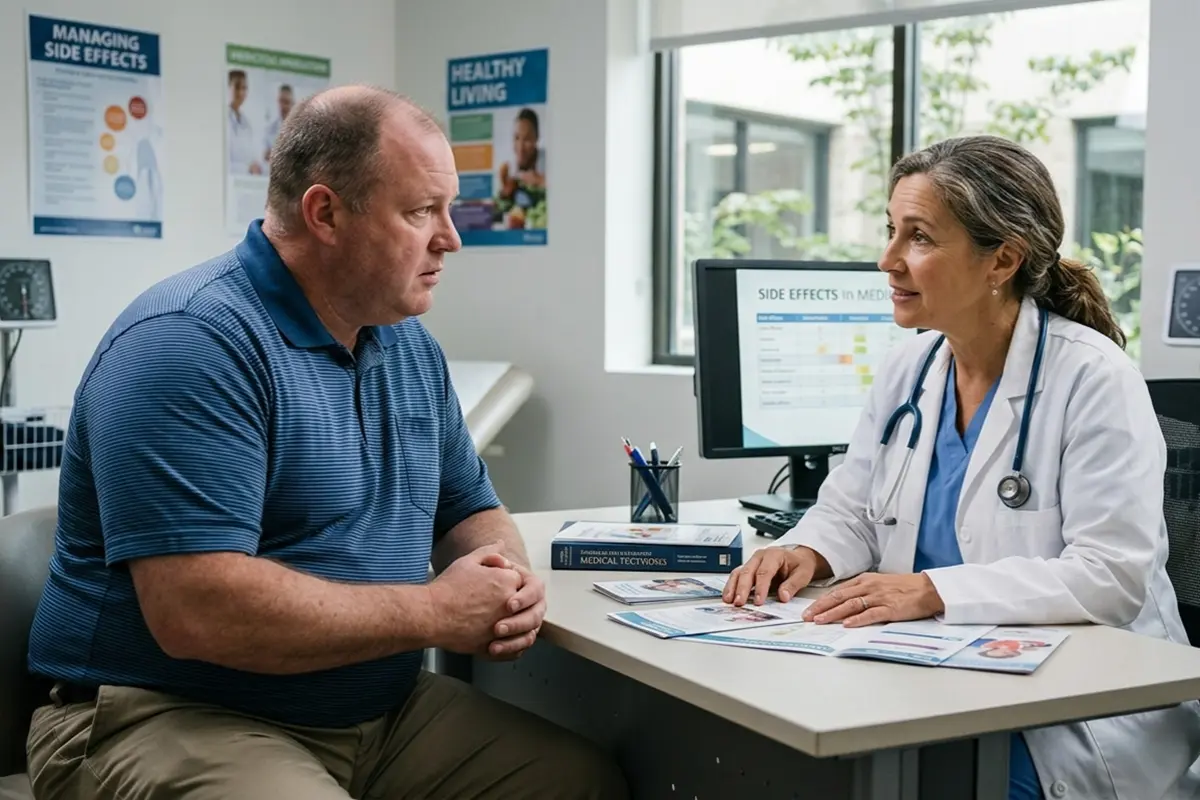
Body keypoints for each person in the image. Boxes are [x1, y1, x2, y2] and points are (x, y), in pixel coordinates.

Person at [24, 85, 627, 800]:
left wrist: (505, 577)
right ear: (325, 213)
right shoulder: (188, 343)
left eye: (449, 208)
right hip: (167, 712)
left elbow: (468, 508)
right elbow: (197, 611)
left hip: (374, 714)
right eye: (421, 211)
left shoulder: (407, 348)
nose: (452, 237)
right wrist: (436, 612)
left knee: (578, 783)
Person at [724, 135, 1200, 800]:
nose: (887, 260)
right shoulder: (908, 368)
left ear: (1001, 259)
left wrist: (934, 590)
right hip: (924, 675)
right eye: (891, 231)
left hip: (1066, 708)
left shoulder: (1093, 379)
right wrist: (806, 548)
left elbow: (1110, 577)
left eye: (917, 238)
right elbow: (853, 509)